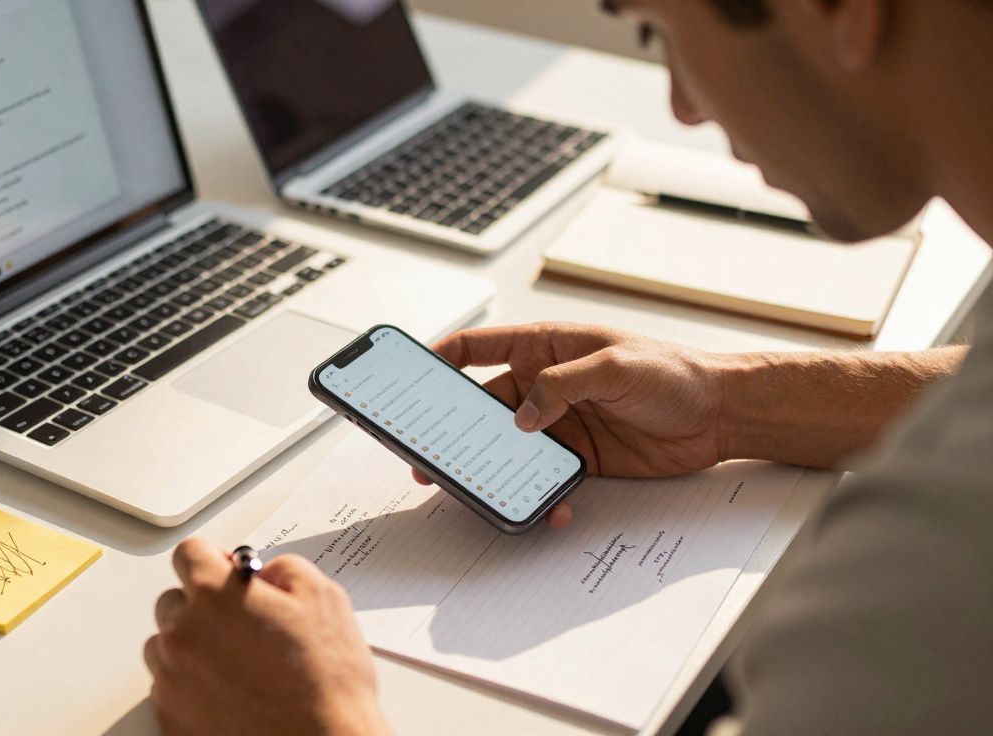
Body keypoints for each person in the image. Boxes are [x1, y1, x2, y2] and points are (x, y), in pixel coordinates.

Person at [142, 0, 993, 733]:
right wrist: (726, 404)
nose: (682, 107)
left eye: (659, 32)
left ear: (838, 9)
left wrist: (316, 721)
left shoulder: (933, 557)